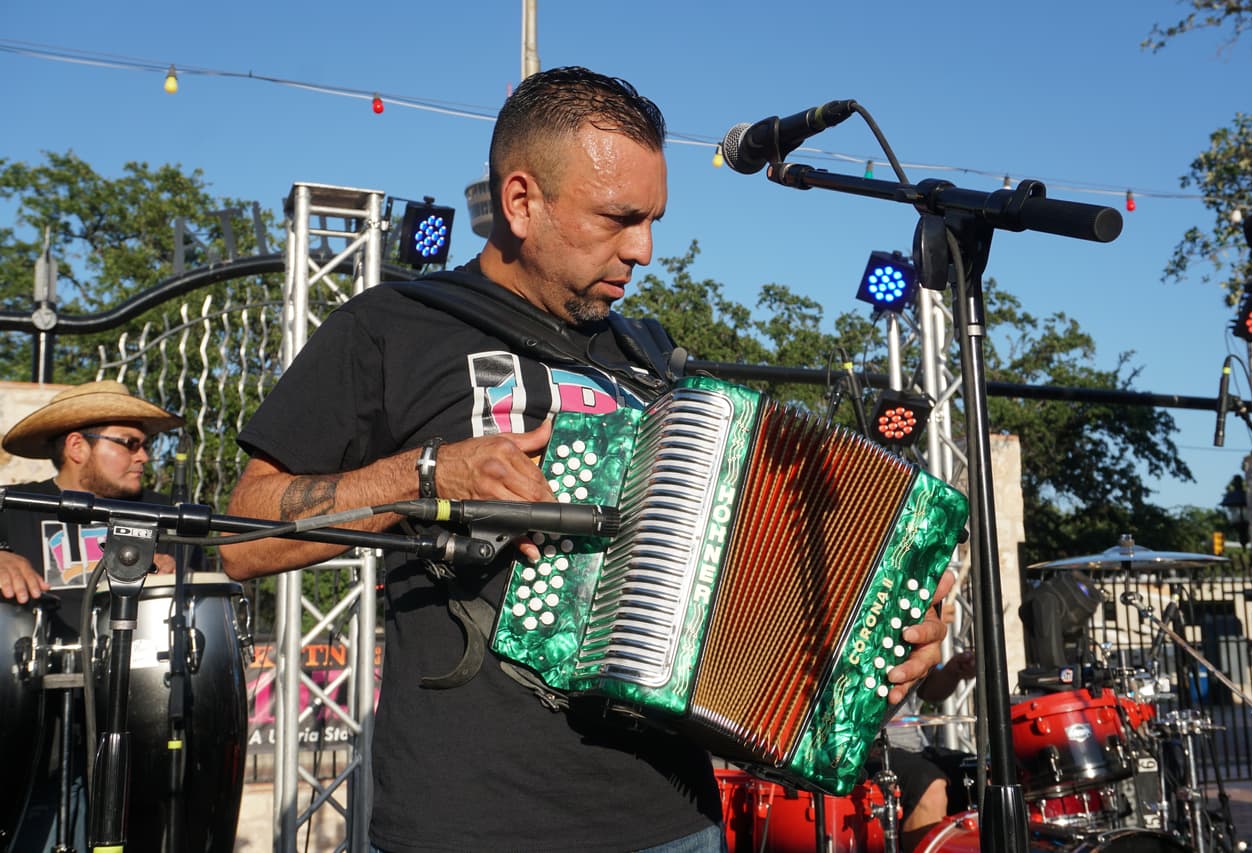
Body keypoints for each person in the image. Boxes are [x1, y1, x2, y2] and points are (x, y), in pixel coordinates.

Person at [220, 65, 954, 852]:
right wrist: (425, 474)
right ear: (522, 201)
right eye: (618, 217)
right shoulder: (394, 327)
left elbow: (754, 566)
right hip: (469, 824)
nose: (643, 249)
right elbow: (241, 538)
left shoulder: (657, 360)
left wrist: (886, 630)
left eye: (653, 219)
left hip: (673, 822)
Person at [0, 379, 189, 850]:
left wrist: (174, 576)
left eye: (147, 444)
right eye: (130, 444)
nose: (145, 456)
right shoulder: (14, 506)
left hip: (136, 730)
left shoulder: (166, 516)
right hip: (28, 735)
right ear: (77, 446)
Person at [869, 599, 978, 851]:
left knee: (979, 773)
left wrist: (952, 672)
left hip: (913, 746)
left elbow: (929, 691)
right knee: (928, 783)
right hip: (864, 749)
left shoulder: (906, 613)